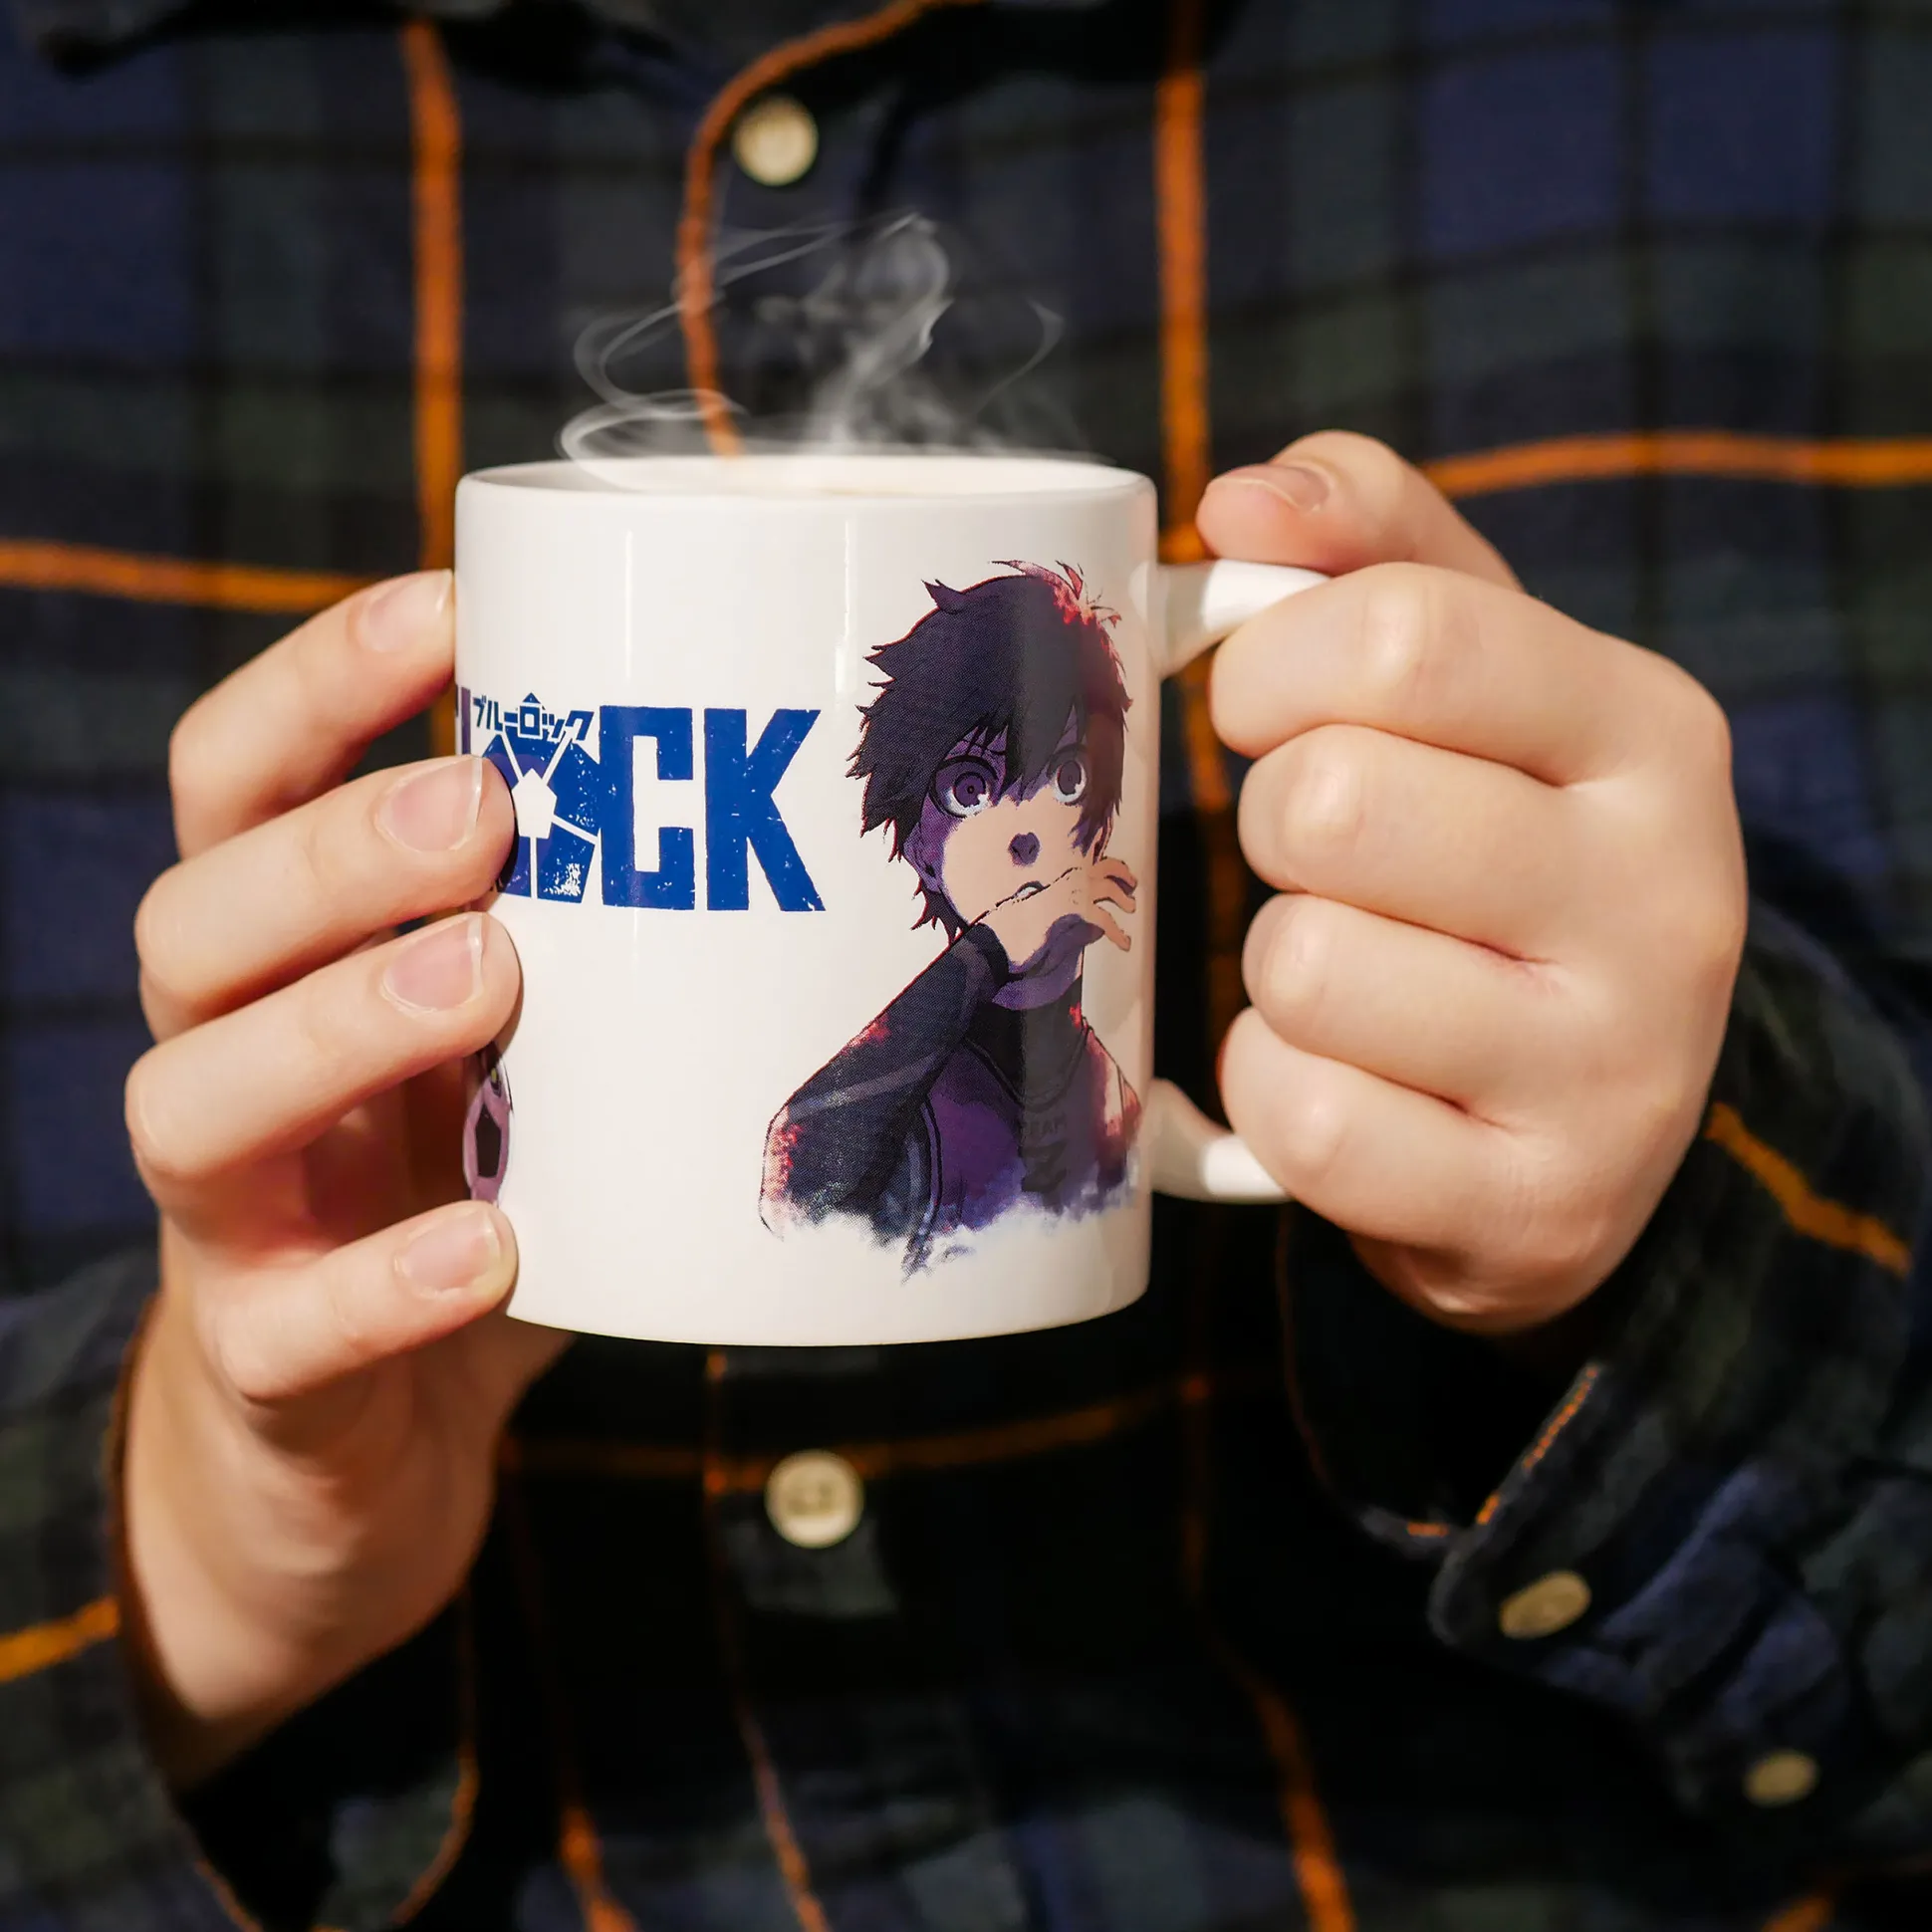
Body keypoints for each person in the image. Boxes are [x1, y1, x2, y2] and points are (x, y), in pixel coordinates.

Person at [2, 0, 1929, 1927]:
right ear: (920, 842)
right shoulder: (55, 151)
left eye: (1068, 790)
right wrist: (193, 1558)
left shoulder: (1793, 86)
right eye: (986, 811)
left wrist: (1678, 1217)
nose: (1041, 844)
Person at [761, 562, 1140, 1268]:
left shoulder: (1113, 1095)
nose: (1024, 832)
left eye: (1067, 778)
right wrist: (993, 946)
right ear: (921, 851)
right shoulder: (911, 1105)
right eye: (970, 790)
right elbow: (795, 1189)